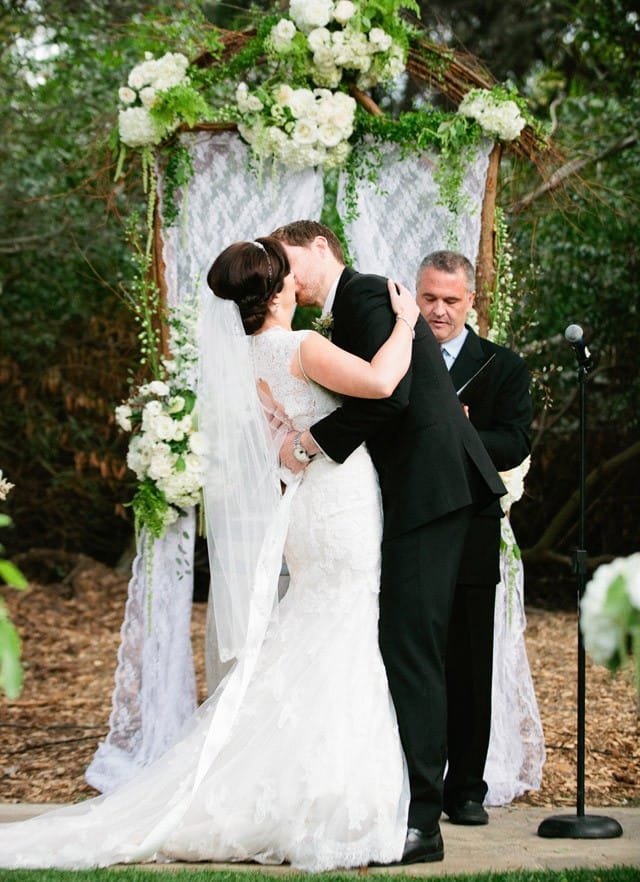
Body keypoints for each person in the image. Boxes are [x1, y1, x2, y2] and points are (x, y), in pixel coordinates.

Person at [0, 238, 420, 872]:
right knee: (343, 628)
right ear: (276, 291)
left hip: (309, 505)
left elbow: (280, 436)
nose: (296, 282)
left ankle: (303, 790)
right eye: (287, 275)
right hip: (338, 504)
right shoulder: (299, 346)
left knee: (320, 627)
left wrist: (298, 444)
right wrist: (407, 323)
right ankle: (326, 800)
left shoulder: (249, 356)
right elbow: (383, 382)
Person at [270, 220, 506, 864]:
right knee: (408, 645)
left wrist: (311, 444)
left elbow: (390, 396)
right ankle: (406, 802)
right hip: (420, 492)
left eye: (289, 260)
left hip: (432, 491)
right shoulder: (355, 306)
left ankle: (422, 822)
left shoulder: (369, 296)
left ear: (321, 247)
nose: (286, 276)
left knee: (411, 649)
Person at [415, 250, 532, 824]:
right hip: (408, 526)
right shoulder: (396, 356)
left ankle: (464, 788)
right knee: (413, 662)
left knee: (467, 664)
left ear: (471, 302)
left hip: (471, 531)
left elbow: (515, 443)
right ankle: (413, 785)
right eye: (429, 298)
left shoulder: (503, 367)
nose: (438, 311)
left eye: (450, 300)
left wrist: (461, 431)